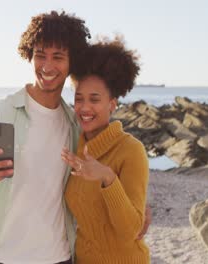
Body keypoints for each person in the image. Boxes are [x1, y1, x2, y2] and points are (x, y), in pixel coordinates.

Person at [0, 10, 90, 264]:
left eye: (58, 57)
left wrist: (136, 207)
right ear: (29, 56)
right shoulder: (3, 110)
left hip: (59, 257)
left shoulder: (74, 124)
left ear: (72, 62)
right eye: (40, 55)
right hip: (3, 257)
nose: (47, 66)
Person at [61, 36, 150, 263]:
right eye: (79, 99)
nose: (85, 107)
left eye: (94, 99)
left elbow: (131, 230)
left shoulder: (131, 150)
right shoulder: (75, 146)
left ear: (112, 104)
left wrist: (108, 178)